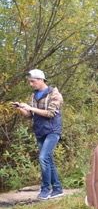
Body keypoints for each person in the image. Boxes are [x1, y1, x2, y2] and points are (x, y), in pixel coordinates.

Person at [12, 69, 64, 200]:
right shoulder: (34, 95)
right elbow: (30, 115)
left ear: (41, 80)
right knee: (48, 160)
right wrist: (21, 109)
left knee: (42, 158)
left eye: (32, 81)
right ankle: (57, 189)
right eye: (30, 82)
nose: (31, 84)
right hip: (39, 131)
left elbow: (50, 113)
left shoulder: (55, 94)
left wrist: (30, 108)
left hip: (52, 131)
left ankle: (45, 189)